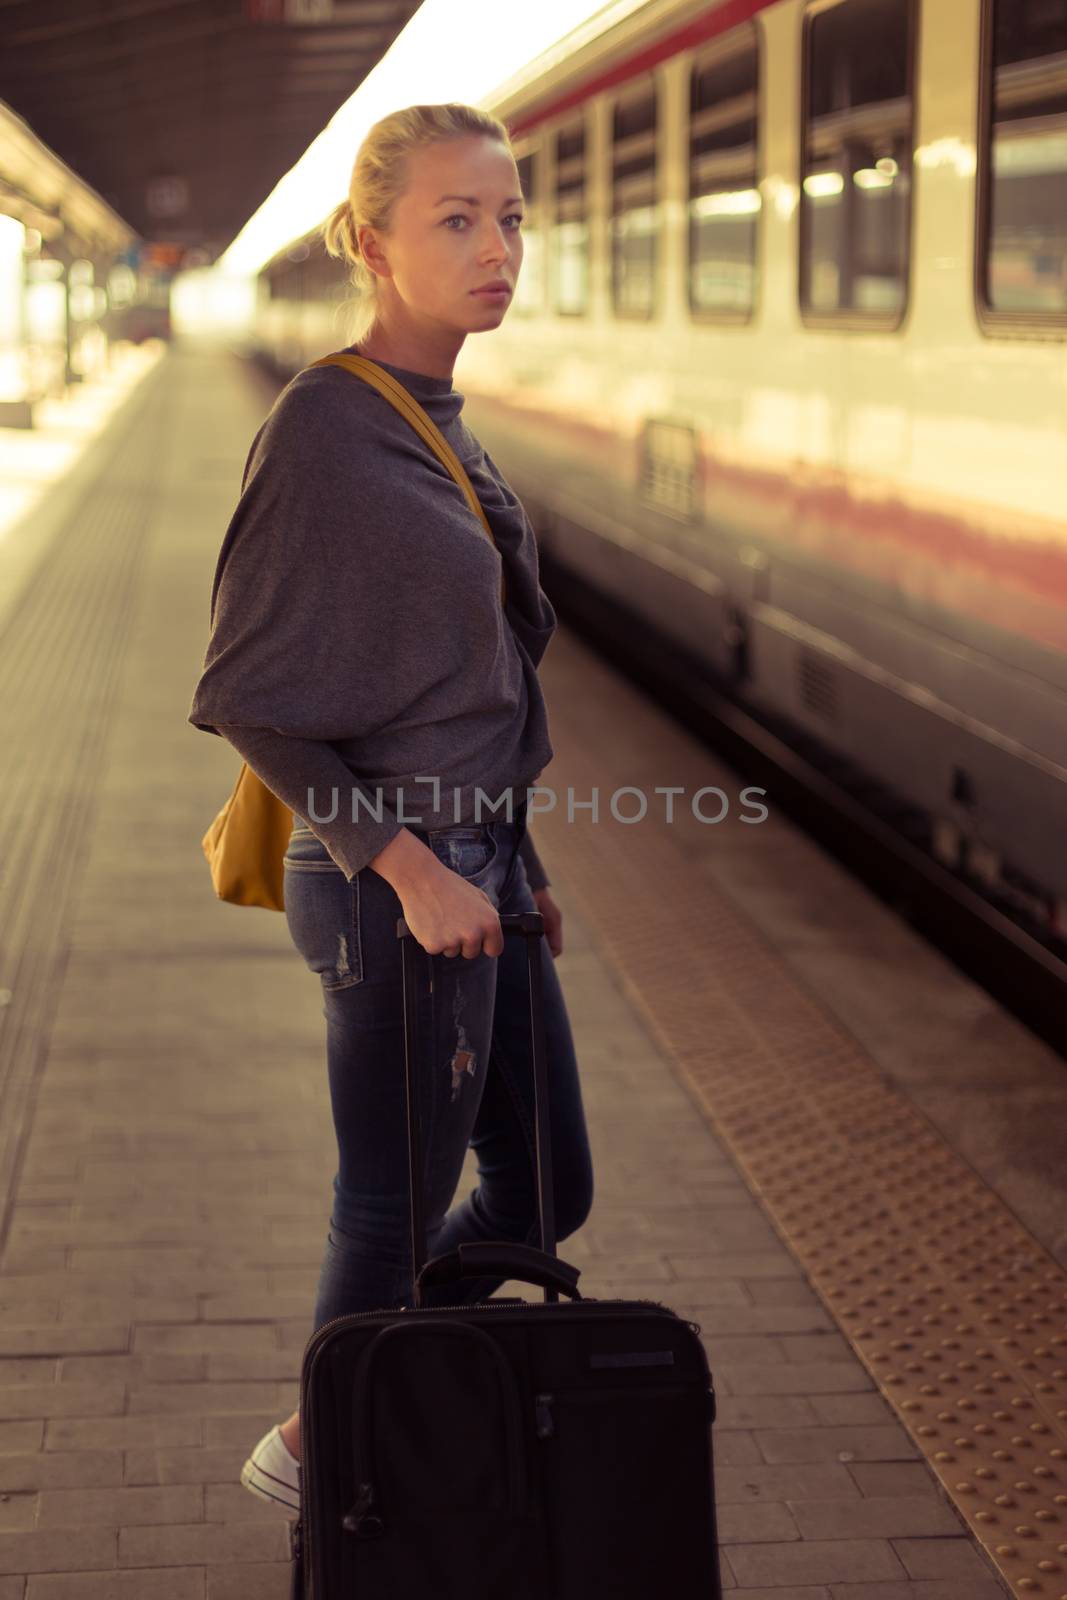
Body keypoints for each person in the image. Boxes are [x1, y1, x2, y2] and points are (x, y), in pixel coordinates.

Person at [187, 102, 595, 1517]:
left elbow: (471, 685)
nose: (500, 248)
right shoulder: (326, 430)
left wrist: (513, 865)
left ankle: (381, 1393)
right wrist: (417, 871)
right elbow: (249, 695)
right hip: (392, 888)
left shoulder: (436, 419)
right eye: (458, 220)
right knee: (390, 1202)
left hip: (483, 871)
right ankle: (330, 1462)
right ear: (372, 244)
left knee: (547, 1188)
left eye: (513, 215)